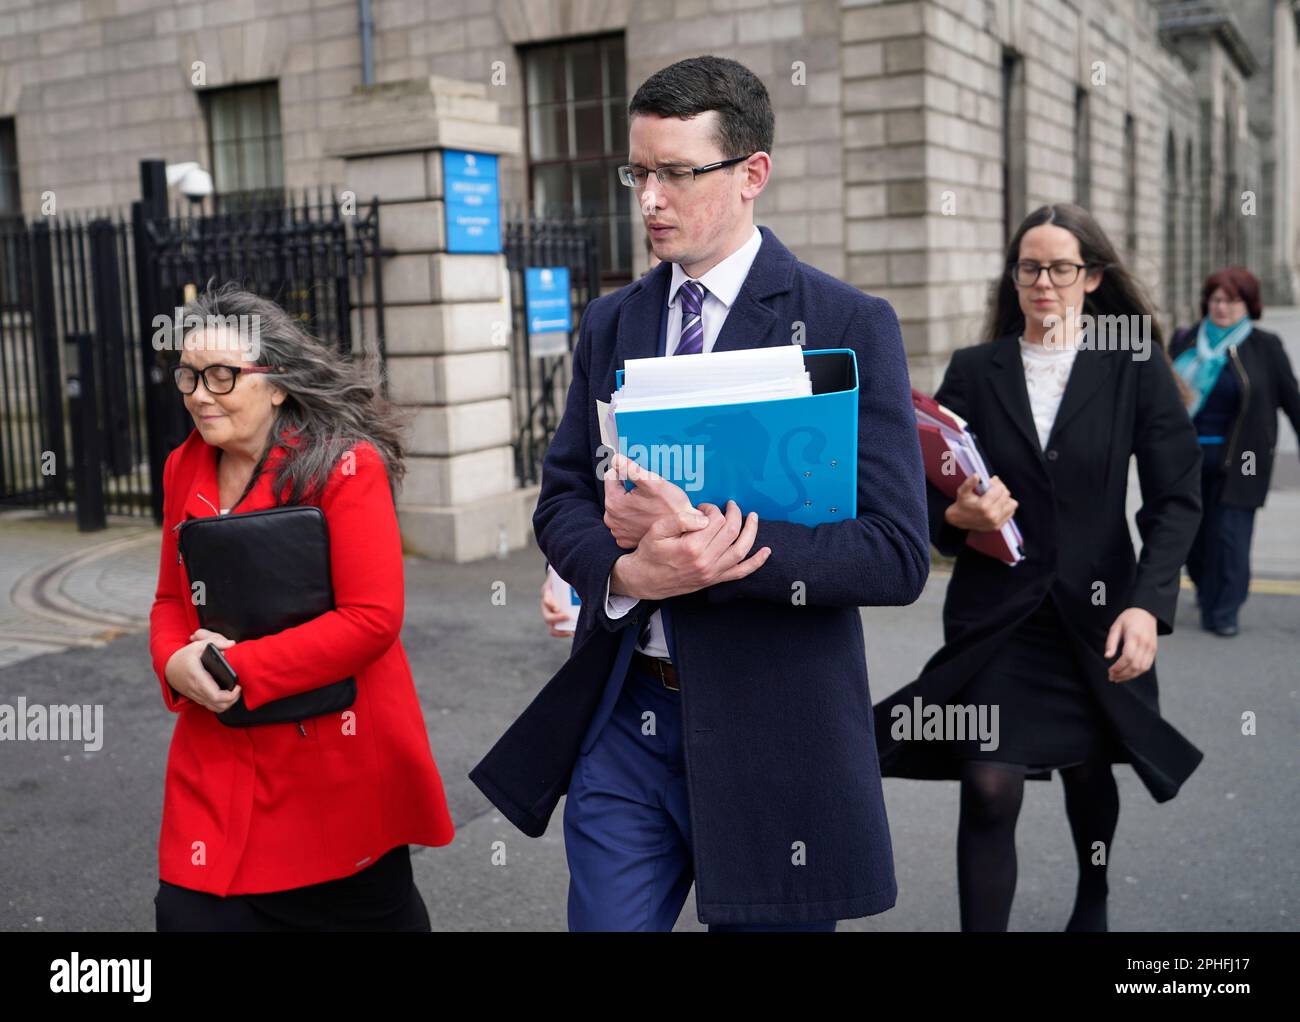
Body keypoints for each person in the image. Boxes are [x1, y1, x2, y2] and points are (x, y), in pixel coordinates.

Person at [472, 55, 930, 931]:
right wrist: (628, 573)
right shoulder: (612, 320)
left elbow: (897, 552)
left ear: (752, 173)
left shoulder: (846, 323)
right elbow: (563, 497)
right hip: (626, 712)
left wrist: (710, 551)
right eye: (639, 172)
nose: (649, 197)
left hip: (778, 729)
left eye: (676, 173)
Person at [874, 203, 1204, 932]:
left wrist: (1148, 605)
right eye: (1030, 267)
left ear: (1090, 277)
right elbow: (930, 493)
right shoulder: (974, 370)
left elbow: (1177, 499)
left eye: (1060, 267)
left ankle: (1094, 898)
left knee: (1088, 775)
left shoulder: (1133, 367)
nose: (1043, 282)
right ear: (1014, 275)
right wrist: (956, 520)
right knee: (989, 784)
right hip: (1001, 619)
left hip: (1099, 616)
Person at [148, 283, 454, 931]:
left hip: (333, 762)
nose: (199, 394)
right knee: (188, 915)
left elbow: (371, 620)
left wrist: (239, 672)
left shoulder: (346, 466)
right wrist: (176, 663)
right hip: (220, 753)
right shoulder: (183, 467)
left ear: (277, 385)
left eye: (222, 376)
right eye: (189, 375)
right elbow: (170, 596)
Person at [1170, 267, 1300, 636]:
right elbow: (1159, 401)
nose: (1222, 307)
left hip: (1244, 461)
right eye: (1216, 299)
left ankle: (1224, 611)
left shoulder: (1265, 347)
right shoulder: (1185, 341)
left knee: (1230, 538)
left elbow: (1292, 401)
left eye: (1232, 300)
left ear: (1249, 304)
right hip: (1186, 461)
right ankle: (1207, 588)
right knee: (1193, 541)